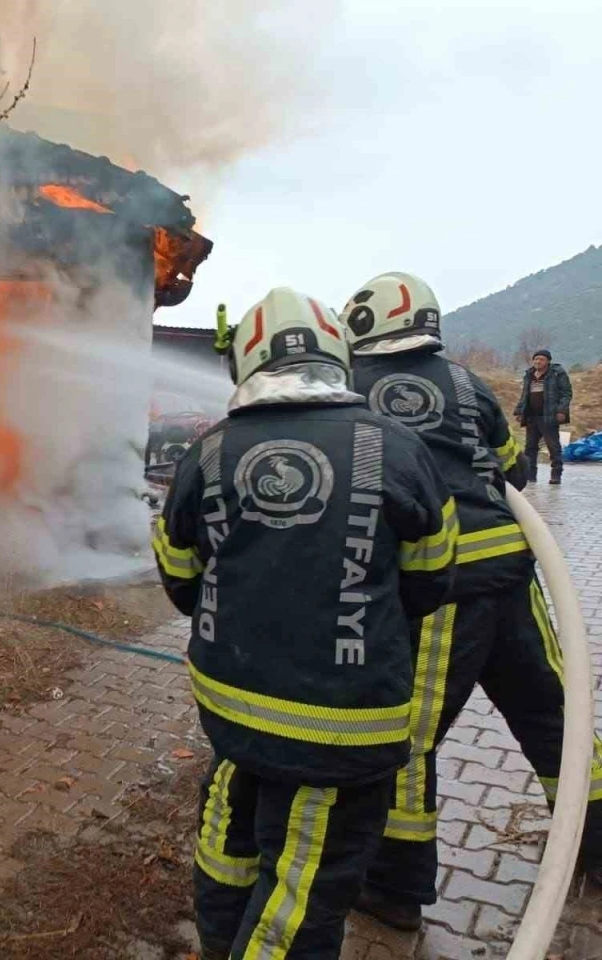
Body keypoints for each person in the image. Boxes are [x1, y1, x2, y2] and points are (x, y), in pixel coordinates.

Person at [154, 287, 456, 960]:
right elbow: (432, 579)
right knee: (304, 888)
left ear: (249, 359)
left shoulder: (207, 454)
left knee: (230, 840)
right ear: (340, 354)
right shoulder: (399, 449)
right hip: (345, 727)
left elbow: (178, 575)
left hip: (233, 713)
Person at [340, 272, 602, 932]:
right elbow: (511, 466)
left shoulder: (353, 390)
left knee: (410, 737)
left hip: (441, 586)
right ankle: (597, 845)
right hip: (513, 573)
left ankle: (396, 887)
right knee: (555, 714)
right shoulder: (466, 383)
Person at [514, 348, 573, 485]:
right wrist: (519, 411)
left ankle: (556, 475)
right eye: (536, 359)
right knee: (530, 447)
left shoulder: (557, 373)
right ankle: (530, 476)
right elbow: (524, 395)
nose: (538, 361)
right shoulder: (529, 375)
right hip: (532, 416)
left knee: (553, 446)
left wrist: (561, 411)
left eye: (541, 359)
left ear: (548, 361)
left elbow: (566, 393)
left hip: (549, 416)